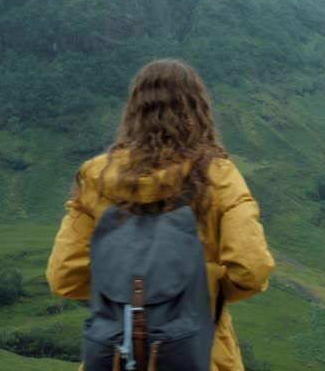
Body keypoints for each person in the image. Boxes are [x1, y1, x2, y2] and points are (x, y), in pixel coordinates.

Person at [47, 58, 275, 371]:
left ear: (133, 111)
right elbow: (251, 269)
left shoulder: (96, 178)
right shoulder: (219, 176)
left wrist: (126, 292)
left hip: (116, 355)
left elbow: (65, 277)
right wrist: (192, 291)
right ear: (198, 110)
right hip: (202, 354)